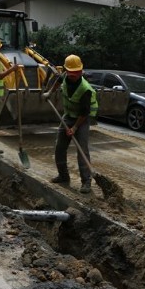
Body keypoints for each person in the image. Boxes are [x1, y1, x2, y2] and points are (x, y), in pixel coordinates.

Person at [41, 54, 98, 193]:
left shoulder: (85, 89)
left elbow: (84, 113)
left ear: (80, 71)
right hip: (68, 116)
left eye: (76, 72)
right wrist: (49, 92)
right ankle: (63, 176)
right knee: (59, 147)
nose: (73, 75)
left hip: (81, 120)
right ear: (67, 70)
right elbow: (58, 81)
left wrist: (75, 127)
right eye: (71, 72)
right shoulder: (65, 75)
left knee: (82, 150)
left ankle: (86, 182)